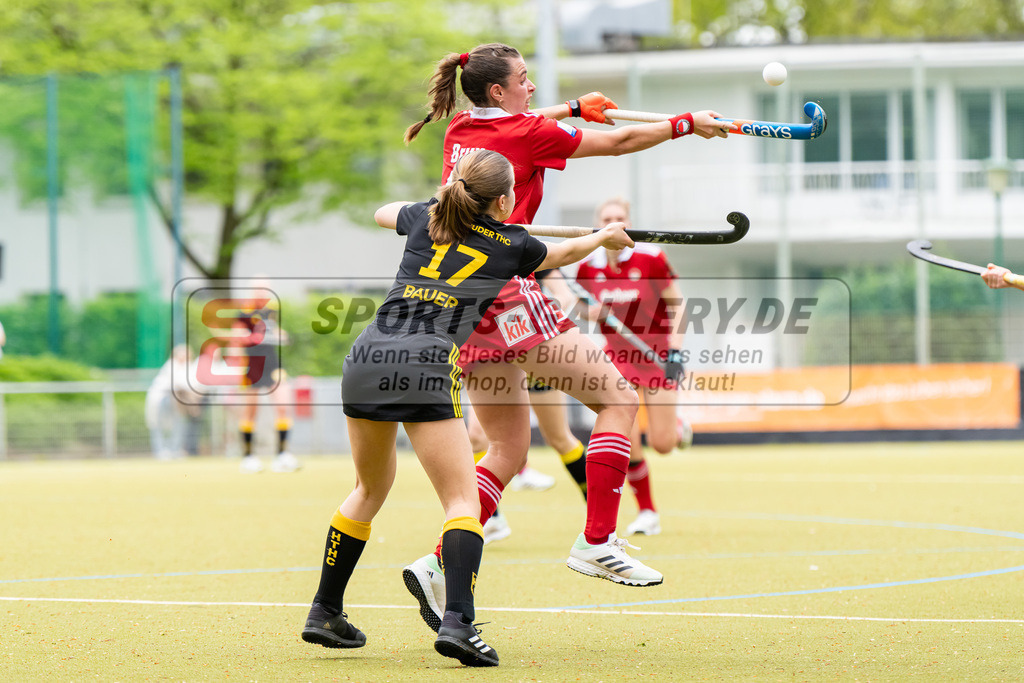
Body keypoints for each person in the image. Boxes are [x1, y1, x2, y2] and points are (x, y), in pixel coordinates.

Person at [401, 41, 732, 630]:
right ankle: (597, 541)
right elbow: (620, 142)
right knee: (618, 399)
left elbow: (523, 122)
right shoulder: (527, 134)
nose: (532, 88)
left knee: (506, 451)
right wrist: (687, 124)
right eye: (524, 79)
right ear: (498, 89)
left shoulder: (461, 132)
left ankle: (435, 564)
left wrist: (574, 108)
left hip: (466, 306)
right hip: (510, 294)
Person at [299, 149, 634, 667]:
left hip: (367, 355)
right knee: (460, 501)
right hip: (425, 361)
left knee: (367, 489)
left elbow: (382, 212)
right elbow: (564, 254)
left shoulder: (423, 218)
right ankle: (458, 622)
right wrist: (603, 238)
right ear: (503, 201)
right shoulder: (513, 243)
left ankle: (324, 610)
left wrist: (436, 204)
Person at [576, 197, 690, 537]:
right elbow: (578, 305)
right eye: (606, 218)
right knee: (627, 441)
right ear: (599, 224)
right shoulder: (588, 266)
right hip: (617, 359)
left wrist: (676, 352)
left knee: (663, 444)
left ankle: (677, 427)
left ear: (629, 222)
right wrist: (589, 312)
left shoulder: (650, 258)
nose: (614, 223)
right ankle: (647, 511)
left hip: (656, 355)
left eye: (620, 217)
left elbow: (678, 306)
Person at [233, 288, 301, 474]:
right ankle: (248, 457)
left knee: (283, 406)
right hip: (252, 367)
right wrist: (250, 339)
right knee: (250, 412)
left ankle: (282, 455)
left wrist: (281, 336)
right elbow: (237, 339)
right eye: (259, 291)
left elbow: (279, 332)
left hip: (273, 366)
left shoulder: (271, 312)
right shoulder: (243, 314)